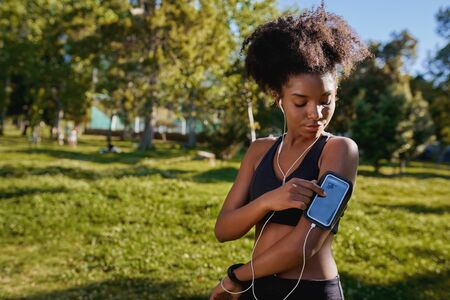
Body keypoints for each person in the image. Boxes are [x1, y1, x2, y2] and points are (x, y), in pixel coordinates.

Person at [209, 3, 370, 300]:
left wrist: (235, 277)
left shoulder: (338, 151)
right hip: (256, 289)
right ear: (278, 97)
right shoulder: (259, 151)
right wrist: (270, 200)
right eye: (301, 102)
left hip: (310, 291)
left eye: (326, 100)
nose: (316, 113)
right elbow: (224, 229)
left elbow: (305, 245)